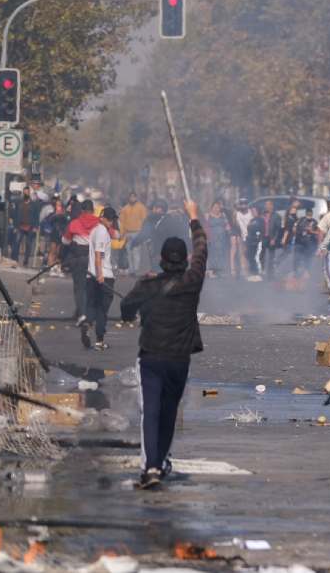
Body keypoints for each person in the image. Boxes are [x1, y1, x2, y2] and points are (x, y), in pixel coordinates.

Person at [120, 201, 206, 489]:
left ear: (160, 259)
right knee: (168, 412)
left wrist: (132, 315)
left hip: (152, 357)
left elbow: (126, 306)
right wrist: (194, 217)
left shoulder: (148, 285)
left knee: (151, 412)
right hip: (180, 359)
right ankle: (160, 462)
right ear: (184, 259)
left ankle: (152, 466)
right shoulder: (192, 282)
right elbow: (202, 251)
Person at [84, 207, 118, 350]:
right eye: (109, 219)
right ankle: (99, 341)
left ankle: (87, 325)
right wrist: (100, 275)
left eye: (112, 219)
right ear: (103, 218)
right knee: (102, 310)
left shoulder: (94, 230)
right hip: (103, 276)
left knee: (92, 305)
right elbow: (98, 256)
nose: (111, 222)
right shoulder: (102, 232)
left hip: (91, 275)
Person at [63, 199, 100, 325]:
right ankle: (89, 313)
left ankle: (82, 315)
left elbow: (65, 241)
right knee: (92, 287)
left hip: (79, 258)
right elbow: (114, 235)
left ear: (82, 210)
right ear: (93, 210)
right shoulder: (99, 223)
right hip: (96, 259)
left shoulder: (74, 223)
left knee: (80, 287)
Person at [10, 185, 41, 267]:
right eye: (25, 191)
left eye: (27, 191)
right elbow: (14, 214)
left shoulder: (34, 204)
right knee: (16, 242)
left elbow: (36, 216)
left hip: (30, 226)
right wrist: (14, 226)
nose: (26, 193)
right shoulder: (18, 202)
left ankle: (26, 260)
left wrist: (36, 227)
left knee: (28, 244)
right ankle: (14, 259)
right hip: (20, 226)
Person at [119, 192, 148, 274]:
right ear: (129, 198)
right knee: (129, 252)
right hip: (127, 233)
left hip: (137, 232)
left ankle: (136, 269)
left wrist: (143, 233)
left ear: (136, 197)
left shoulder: (141, 207)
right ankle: (131, 270)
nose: (132, 198)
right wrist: (122, 234)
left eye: (133, 197)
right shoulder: (125, 209)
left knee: (136, 252)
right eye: (130, 197)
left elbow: (144, 221)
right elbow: (122, 223)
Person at [40, 199, 69, 276]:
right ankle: (51, 268)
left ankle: (57, 268)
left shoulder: (64, 216)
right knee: (52, 251)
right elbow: (47, 224)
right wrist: (47, 231)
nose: (58, 207)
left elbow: (67, 225)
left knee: (59, 253)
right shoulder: (52, 215)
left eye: (59, 205)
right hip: (53, 234)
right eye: (57, 205)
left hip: (61, 235)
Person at [205, 200, 232, 277]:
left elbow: (227, 225)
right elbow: (205, 226)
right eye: (215, 207)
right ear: (211, 208)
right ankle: (211, 271)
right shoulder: (207, 215)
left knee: (221, 253)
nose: (217, 209)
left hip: (222, 238)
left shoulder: (223, 215)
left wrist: (230, 232)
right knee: (212, 253)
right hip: (212, 238)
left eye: (218, 207)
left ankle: (219, 271)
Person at [293, 208, 318, 276]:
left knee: (308, 258)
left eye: (310, 214)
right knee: (297, 258)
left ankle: (307, 271)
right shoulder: (301, 220)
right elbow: (295, 229)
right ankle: (296, 272)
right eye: (308, 214)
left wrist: (311, 231)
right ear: (306, 213)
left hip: (309, 243)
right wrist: (299, 230)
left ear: (312, 214)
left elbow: (318, 233)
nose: (309, 215)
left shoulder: (314, 222)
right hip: (299, 242)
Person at [233, 198, 254, 278]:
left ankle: (249, 270)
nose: (243, 205)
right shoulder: (237, 213)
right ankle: (244, 270)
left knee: (249, 253)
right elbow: (236, 224)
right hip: (242, 236)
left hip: (250, 236)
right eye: (241, 204)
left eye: (245, 204)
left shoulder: (250, 213)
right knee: (242, 253)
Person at [245, 205, 266, 279]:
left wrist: (259, 239)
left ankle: (259, 274)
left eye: (254, 211)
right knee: (250, 257)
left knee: (257, 258)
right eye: (252, 211)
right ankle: (253, 273)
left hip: (258, 242)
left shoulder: (261, 220)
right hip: (251, 242)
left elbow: (262, 231)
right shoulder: (252, 220)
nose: (253, 212)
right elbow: (248, 230)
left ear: (258, 211)